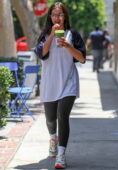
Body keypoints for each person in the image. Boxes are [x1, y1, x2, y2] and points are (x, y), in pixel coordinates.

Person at [34, 2, 86, 169]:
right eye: (55, 15)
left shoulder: (73, 35)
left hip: (69, 82)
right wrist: (51, 36)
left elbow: (82, 58)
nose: (57, 18)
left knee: (62, 116)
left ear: (65, 17)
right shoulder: (43, 36)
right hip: (50, 83)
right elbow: (42, 54)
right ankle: (53, 138)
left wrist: (68, 45)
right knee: (50, 119)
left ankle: (61, 155)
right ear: (50, 17)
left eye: (60, 15)